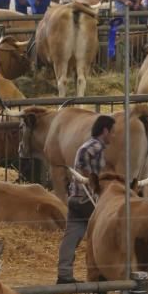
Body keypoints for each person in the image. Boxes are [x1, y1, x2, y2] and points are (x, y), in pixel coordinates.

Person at [56, 115, 115, 284]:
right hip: (88, 198)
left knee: (71, 236)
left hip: (75, 197)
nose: (113, 136)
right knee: (106, 232)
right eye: (112, 132)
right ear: (105, 131)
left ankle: (64, 274)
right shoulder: (96, 148)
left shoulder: (87, 146)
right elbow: (93, 174)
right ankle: (105, 272)